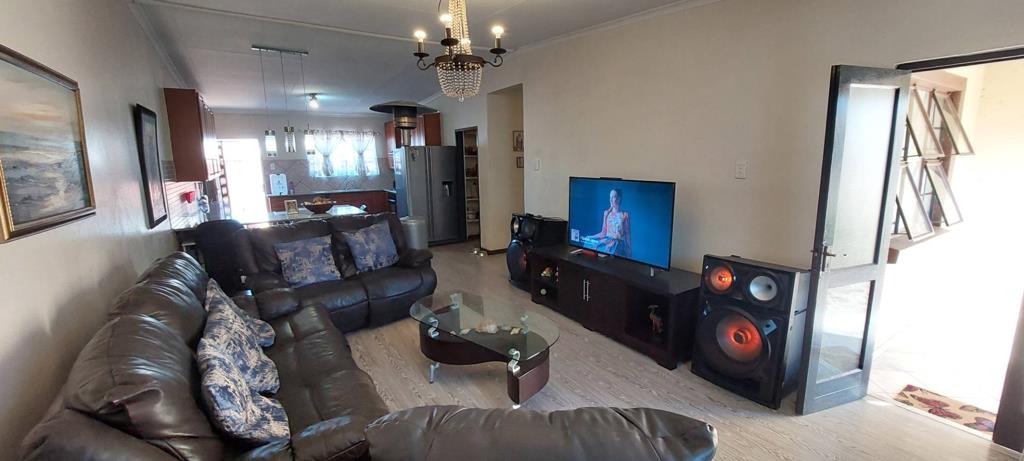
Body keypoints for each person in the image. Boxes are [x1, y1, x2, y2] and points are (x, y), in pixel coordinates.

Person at [585, 188, 631, 257]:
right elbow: (603, 233)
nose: (611, 200)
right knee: (589, 244)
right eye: (610, 197)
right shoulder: (606, 213)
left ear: (619, 199)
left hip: (618, 245)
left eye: (613, 197)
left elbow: (627, 234)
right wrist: (589, 237)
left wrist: (629, 249)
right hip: (608, 242)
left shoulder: (625, 215)